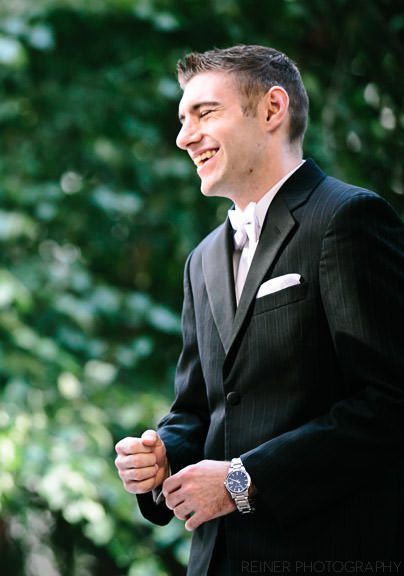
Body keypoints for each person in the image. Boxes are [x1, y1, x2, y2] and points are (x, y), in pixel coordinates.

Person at [114, 45, 404, 574]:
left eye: (205, 113)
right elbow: (198, 409)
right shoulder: (201, 260)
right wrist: (164, 457)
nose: (184, 137)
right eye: (182, 120)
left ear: (273, 110)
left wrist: (239, 481)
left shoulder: (349, 219)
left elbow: (390, 402)